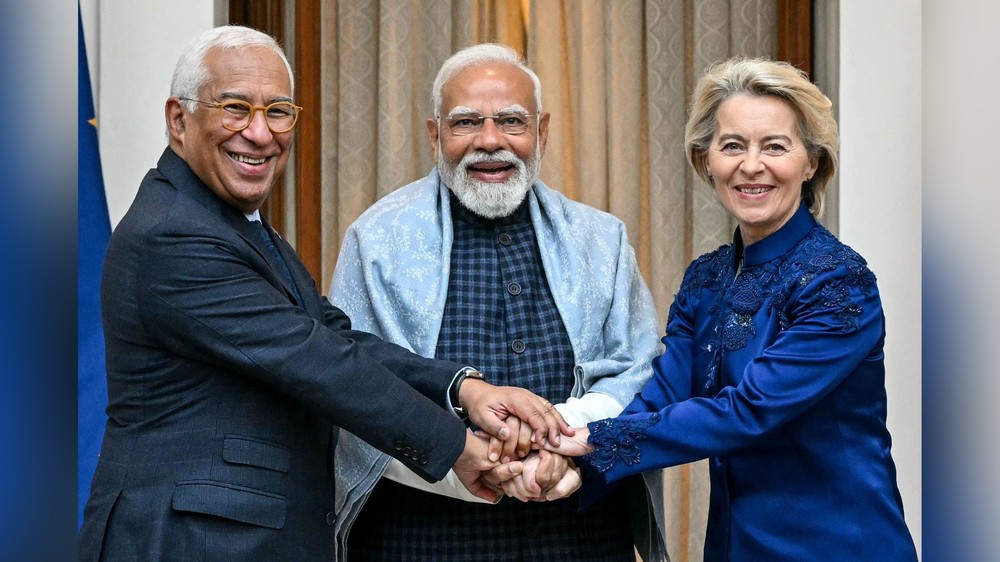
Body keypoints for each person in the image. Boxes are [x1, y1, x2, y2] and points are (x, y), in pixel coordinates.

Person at [77, 26, 569, 561]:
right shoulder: (174, 233)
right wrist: (458, 448)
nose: (260, 133)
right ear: (179, 119)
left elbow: (335, 338)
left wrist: (464, 389)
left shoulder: (232, 222)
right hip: (186, 543)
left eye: (278, 112)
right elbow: (319, 362)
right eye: (235, 108)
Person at [542, 57, 919, 561]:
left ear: (811, 163)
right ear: (707, 161)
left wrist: (590, 442)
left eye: (775, 146)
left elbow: (749, 410)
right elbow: (663, 394)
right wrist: (568, 453)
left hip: (837, 545)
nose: (751, 165)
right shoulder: (706, 278)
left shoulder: (839, 281)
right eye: (733, 145)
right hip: (733, 545)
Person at [329, 43, 668, 561]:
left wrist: (564, 443)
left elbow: (640, 371)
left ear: (542, 132)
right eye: (466, 122)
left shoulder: (602, 240)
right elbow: (351, 387)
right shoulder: (376, 240)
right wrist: (469, 458)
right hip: (422, 539)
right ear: (434, 135)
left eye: (512, 121)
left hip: (580, 538)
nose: (490, 141)